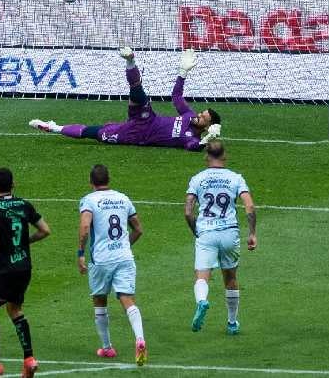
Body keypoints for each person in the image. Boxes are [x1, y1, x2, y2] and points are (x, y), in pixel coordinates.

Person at [30, 47, 221, 151]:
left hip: (134, 135)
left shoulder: (191, 138)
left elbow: (194, 148)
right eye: (201, 112)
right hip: (147, 119)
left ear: (206, 126)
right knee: (138, 93)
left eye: (203, 118)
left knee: (93, 133)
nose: (198, 115)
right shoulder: (187, 115)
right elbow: (177, 96)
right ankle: (130, 60)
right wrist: (183, 72)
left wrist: (208, 138)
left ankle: (53, 127)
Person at [0, 168, 51, 378]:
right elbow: (45, 230)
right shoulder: (24, 205)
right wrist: (25, 243)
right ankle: (29, 358)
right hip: (24, 268)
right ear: (13, 184)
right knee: (15, 309)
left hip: (3, 271)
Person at [78, 164, 147, 366]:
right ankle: (140, 338)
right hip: (124, 257)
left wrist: (80, 253)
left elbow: (84, 227)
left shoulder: (89, 200)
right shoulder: (123, 198)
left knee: (100, 301)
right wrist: (125, 244)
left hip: (101, 259)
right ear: (109, 179)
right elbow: (138, 229)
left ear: (91, 182)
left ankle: (107, 348)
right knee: (127, 299)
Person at [185, 141, 257, 335]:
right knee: (231, 277)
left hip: (206, 232)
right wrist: (252, 233)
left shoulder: (197, 179)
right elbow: (249, 206)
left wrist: (196, 231)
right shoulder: (235, 178)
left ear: (206, 157)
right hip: (229, 233)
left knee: (202, 275)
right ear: (225, 156)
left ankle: (202, 301)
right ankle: (232, 323)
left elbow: (188, 211)